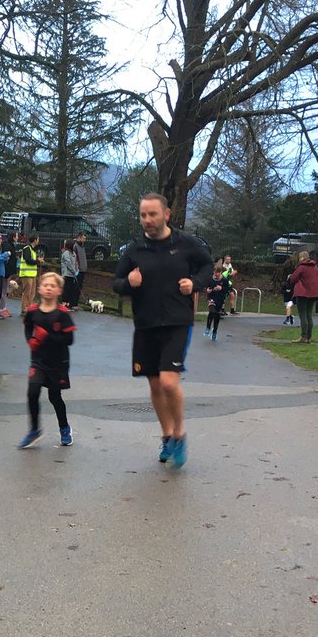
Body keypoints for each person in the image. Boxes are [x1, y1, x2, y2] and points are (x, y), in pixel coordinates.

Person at [111, 192, 214, 469]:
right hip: (145, 324)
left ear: (166, 214)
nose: (147, 220)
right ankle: (167, 435)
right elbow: (116, 283)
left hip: (177, 322)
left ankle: (179, 434)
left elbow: (207, 266)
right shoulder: (133, 250)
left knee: (169, 381)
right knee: (155, 384)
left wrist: (195, 283)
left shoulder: (186, 244)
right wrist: (129, 283)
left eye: (152, 214)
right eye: (143, 215)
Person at [19, 272, 77, 449]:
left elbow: (69, 340)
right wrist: (31, 341)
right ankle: (34, 430)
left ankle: (64, 428)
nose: (49, 288)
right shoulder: (33, 311)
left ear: (59, 290)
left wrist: (49, 336)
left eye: (53, 286)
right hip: (38, 361)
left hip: (58, 363)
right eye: (46, 285)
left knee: (54, 397)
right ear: (39, 288)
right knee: (32, 392)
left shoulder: (62, 314)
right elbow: (28, 328)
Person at [286, 250, 318, 343]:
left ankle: (303, 336)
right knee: (309, 314)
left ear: (302, 257)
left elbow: (293, 279)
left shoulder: (302, 267)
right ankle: (309, 337)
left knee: (303, 315)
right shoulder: (315, 267)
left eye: (300, 257)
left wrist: (289, 277)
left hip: (302, 293)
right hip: (313, 293)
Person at [203, 268, 229, 341]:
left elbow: (227, 290)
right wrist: (207, 290)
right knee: (211, 311)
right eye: (215, 272)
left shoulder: (224, 280)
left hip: (220, 300)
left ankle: (214, 331)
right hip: (211, 298)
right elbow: (206, 287)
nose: (216, 274)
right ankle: (208, 327)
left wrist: (221, 288)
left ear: (221, 272)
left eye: (218, 273)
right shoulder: (210, 279)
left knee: (217, 315)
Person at [20, 233, 42, 308]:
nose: (38, 241)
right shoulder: (27, 248)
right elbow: (28, 260)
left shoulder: (32, 250)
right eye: (38, 239)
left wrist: (37, 261)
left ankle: (29, 307)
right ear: (35, 240)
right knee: (27, 293)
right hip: (26, 274)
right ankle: (25, 308)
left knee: (32, 293)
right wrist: (37, 261)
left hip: (32, 274)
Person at [60, 239, 80, 307]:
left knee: (71, 289)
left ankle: (68, 303)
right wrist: (74, 271)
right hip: (67, 274)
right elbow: (68, 264)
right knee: (66, 288)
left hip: (72, 275)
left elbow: (75, 263)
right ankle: (64, 302)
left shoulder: (73, 253)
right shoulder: (66, 253)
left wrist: (77, 270)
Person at [73, 231, 89, 305]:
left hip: (83, 269)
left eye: (85, 239)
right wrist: (77, 268)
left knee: (79, 287)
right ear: (79, 237)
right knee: (76, 287)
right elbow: (74, 259)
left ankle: (76, 303)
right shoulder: (75, 246)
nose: (84, 240)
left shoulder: (82, 246)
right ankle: (73, 303)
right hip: (78, 270)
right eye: (83, 238)